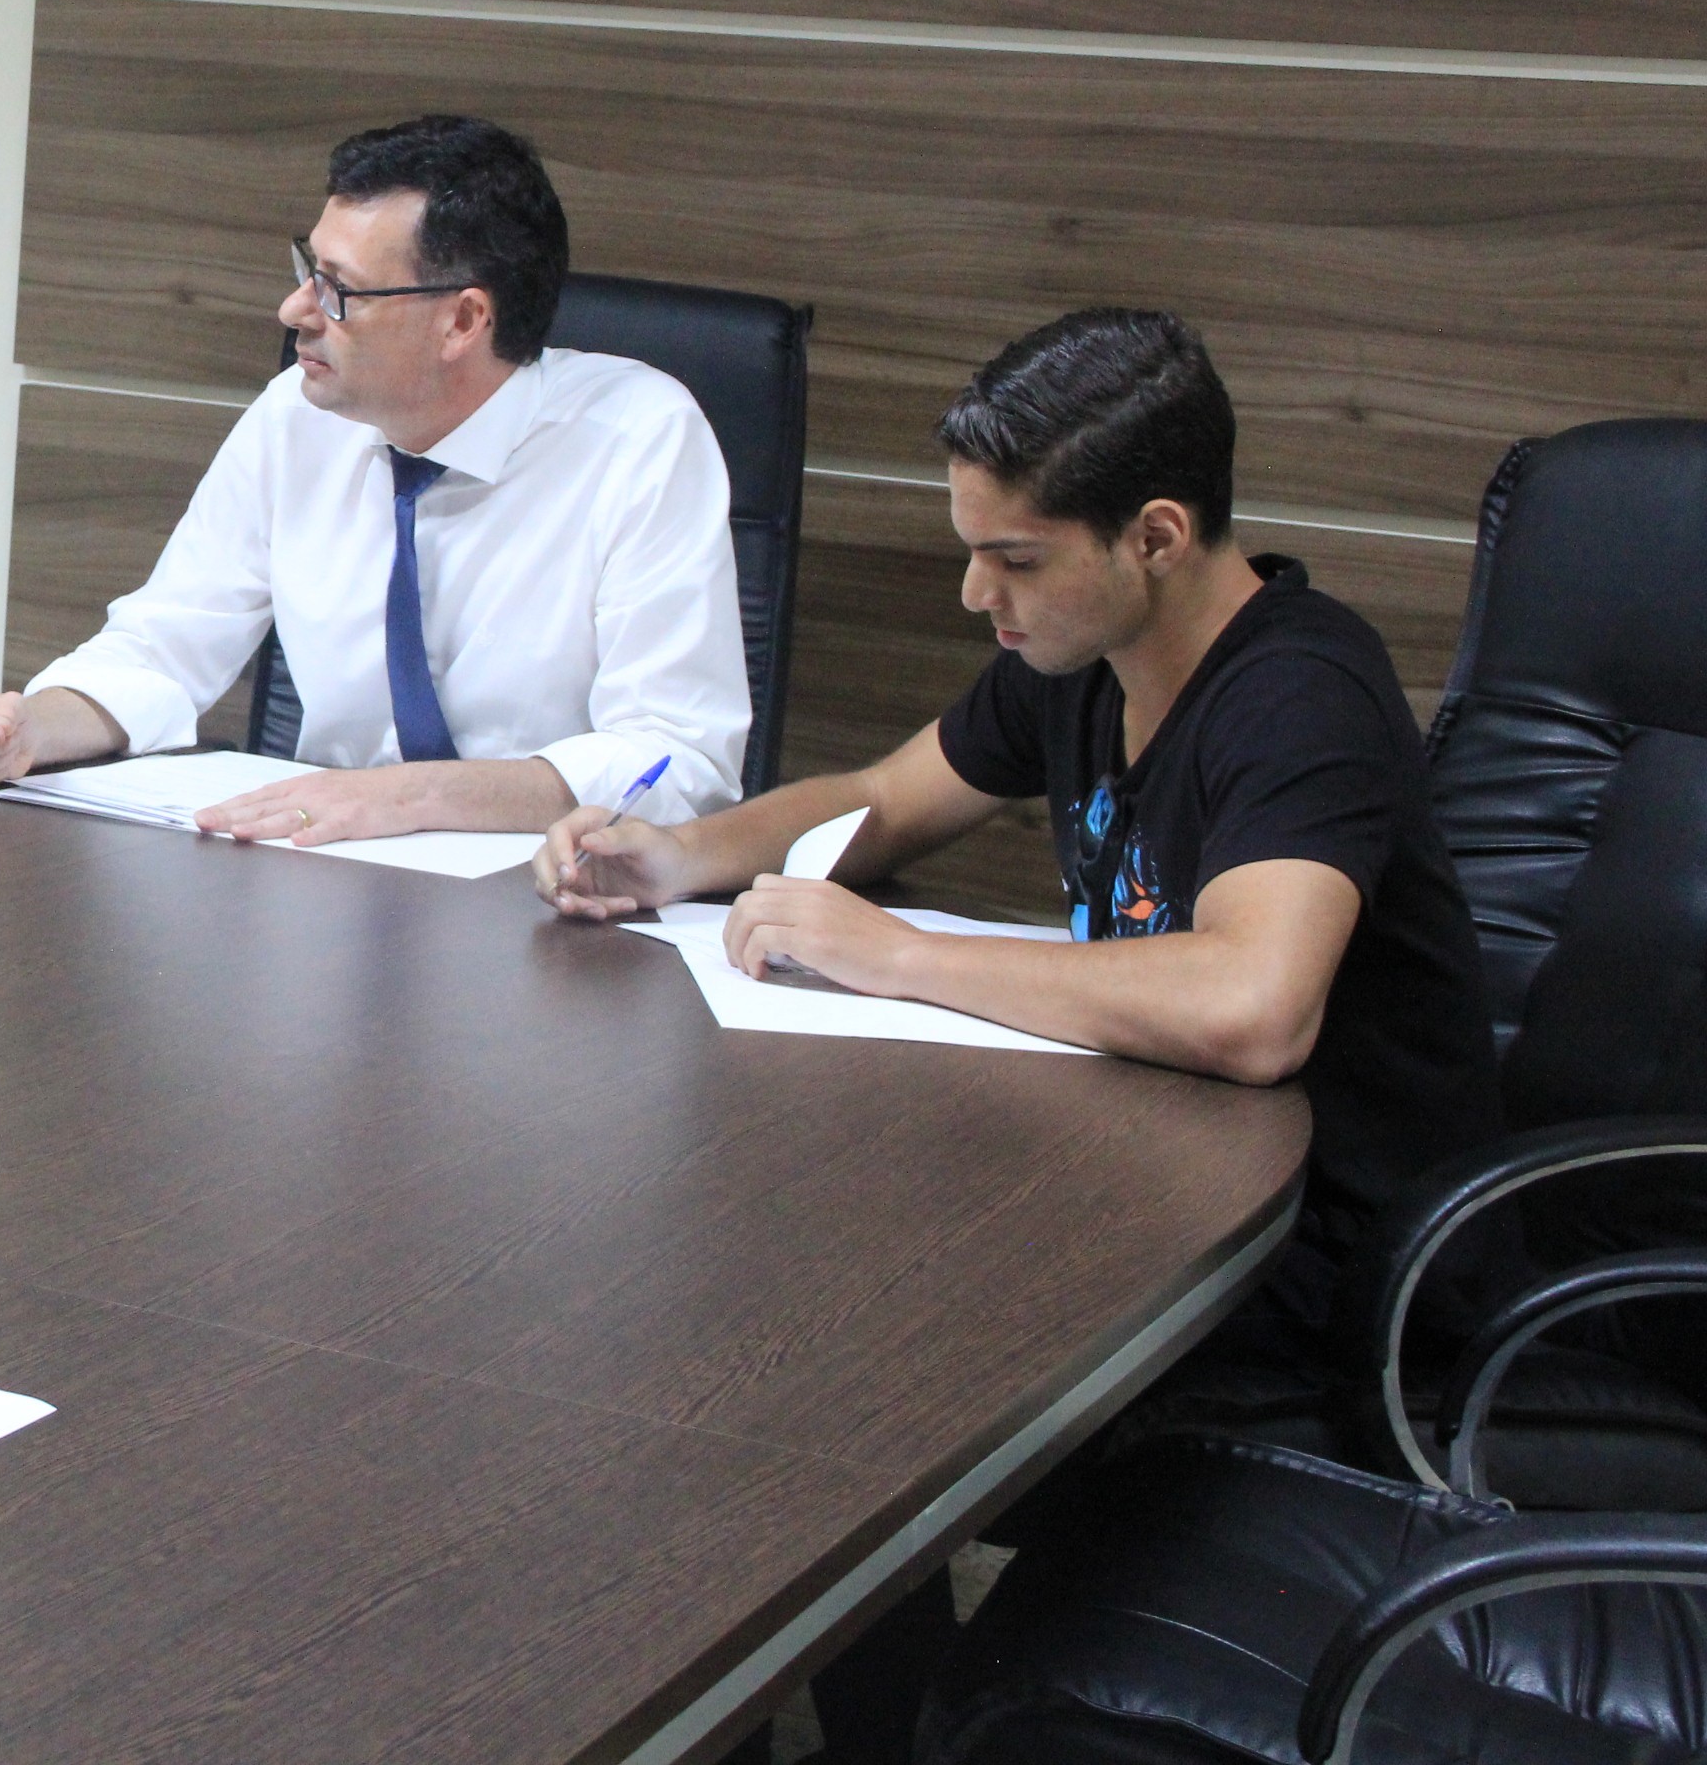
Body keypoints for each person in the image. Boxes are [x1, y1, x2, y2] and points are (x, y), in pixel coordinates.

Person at [536, 309, 1504, 1764]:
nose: (978, 593)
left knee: (819, 1389)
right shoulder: (1075, 658)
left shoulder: (1297, 689)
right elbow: (880, 797)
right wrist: (679, 856)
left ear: (1158, 535)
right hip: (1137, 1179)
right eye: (973, 549)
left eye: (1017, 559)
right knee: (751, 1326)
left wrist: (908, 953)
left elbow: (1252, 1007)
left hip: (1310, 1260)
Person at [0, 114, 750, 841]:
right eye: (306, 269)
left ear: (463, 320)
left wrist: (410, 797)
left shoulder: (638, 436)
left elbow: (678, 762)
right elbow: (162, 647)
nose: (295, 312)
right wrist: (26, 731)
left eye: (340, 290)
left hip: (547, 897)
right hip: (323, 874)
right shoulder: (299, 413)